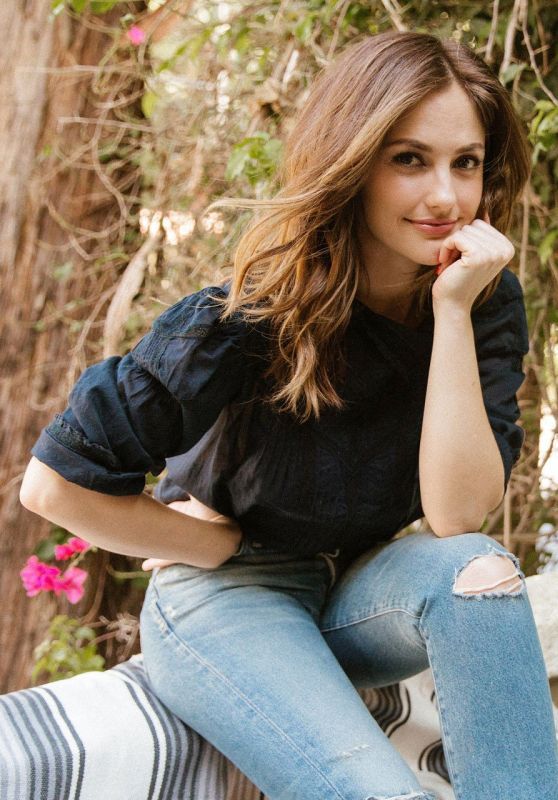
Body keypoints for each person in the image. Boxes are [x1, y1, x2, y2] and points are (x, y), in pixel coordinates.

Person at [20, 30, 558, 800]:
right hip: (230, 598)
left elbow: (458, 513)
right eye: (410, 159)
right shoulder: (251, 313)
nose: (446, 196)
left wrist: (450, 314)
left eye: (464, 162)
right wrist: (210, 541)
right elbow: (52, 487)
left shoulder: (478, 298)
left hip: (360, 593)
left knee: (480, 571)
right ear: (354, 162)